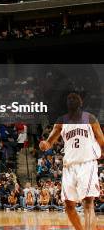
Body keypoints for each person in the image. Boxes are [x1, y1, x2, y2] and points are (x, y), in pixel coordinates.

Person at [39, 91, 104, 230]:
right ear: (66, 103)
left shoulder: (90, 118)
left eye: (75, 97)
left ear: (81, 102)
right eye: (69, 98)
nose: (72, 99)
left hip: (87, 163)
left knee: (88, 202)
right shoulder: (61, 121)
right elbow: (49, 142)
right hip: (69, 166)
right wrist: (45, 144)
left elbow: (102, 141)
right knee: (69, 205)